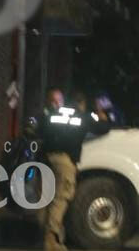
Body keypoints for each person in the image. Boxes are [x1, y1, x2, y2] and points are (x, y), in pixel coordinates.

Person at [36, 88, 111, 251]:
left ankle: (41, 237)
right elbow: (104, 127)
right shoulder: (81, 117)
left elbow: (38, 131)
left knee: (45, 199)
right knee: (61, 198)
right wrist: (101, 112)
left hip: (45, 159)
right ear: (82, 105)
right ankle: (51, 240)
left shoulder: (49, 115)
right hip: (64, 162)